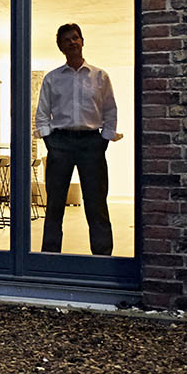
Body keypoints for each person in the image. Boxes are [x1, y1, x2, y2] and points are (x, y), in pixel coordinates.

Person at [34, 23, 123, 256]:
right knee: (54, 204)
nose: (72, 42)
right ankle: (50, 256)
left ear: (82, 41)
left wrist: (103, 139)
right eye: (67, 40)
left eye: (75, 38)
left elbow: (110, 110)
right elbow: (42, 113)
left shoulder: (100, 76)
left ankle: (102, 256)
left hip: (92, 145)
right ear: (61, 47)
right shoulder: (52, 79)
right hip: (60, 144)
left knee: (96, 203)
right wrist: (49, 141)